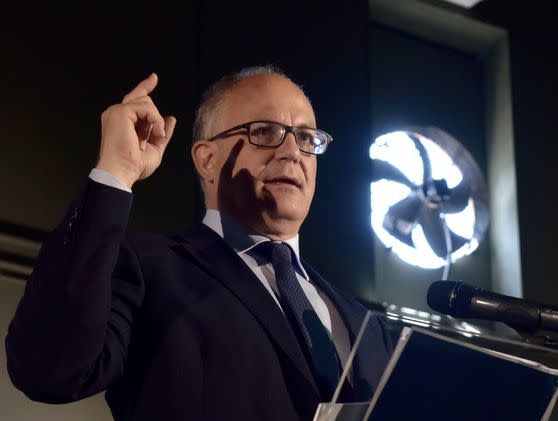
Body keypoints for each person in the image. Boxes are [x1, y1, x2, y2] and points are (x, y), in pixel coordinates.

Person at [5, 66, 391, 421]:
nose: (292, 153)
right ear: (207, 160)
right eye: (266, 132)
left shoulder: (365, 326)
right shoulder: (149, 268)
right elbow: (48, 369)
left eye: (307, 138)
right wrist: (115, 171)